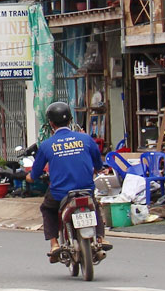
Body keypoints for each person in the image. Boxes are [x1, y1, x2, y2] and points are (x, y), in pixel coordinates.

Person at [29, 101, 109, 261]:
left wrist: (29, 178)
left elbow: (34, 174)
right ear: (71, 120)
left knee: (47, 209)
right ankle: (101, 237)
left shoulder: (46, 145)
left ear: (51, 123)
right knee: (94, 205)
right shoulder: (86, 139)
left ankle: (54, 244)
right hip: (86, 189)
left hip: (60, 193)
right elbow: (98, 164)